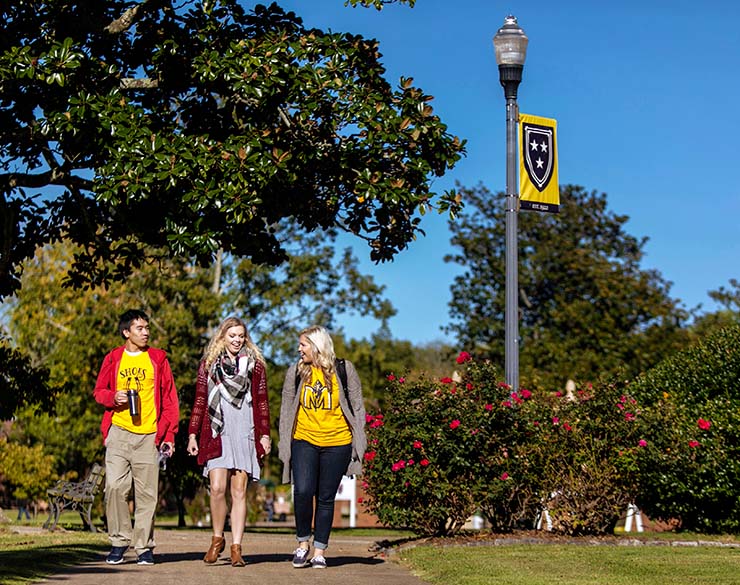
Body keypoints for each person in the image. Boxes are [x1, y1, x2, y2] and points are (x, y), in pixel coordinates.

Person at [93, 309, 179, 566]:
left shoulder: (158, 358)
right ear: (126, 332)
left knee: (147, 494)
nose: (146, 332)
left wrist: (169, 436)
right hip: (118, 432)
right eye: (140, 328)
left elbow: (170, 401)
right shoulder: (113, 358)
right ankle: (119, 541)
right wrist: (113, 397)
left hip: (149, 435)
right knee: (115, 488)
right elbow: (99, 391)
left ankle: (143, 547)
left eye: (147, 327)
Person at [278, 325, 367, 569]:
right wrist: (283, 442)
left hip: (337, 442)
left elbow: (358, 406)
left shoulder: (344, 369)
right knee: (304, 490)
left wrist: (360, 441)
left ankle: (319, 551)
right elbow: (286, 408)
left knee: (326, 497)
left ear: (317, 346)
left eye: (303, 345)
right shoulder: (296, 371)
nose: (299, 349)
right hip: (304, 438)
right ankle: (302, 543)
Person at [187, 317, 271, 567]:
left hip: (245, 428)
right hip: (216, 430)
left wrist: (265, 435)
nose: (236, 340)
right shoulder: (209, 365)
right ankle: (216, 539)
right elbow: (201, 400)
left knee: (239, 491)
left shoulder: (255, 367)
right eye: (232, 335)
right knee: (217, 488)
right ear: (222, 336)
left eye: (241, 336)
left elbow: (262, 402)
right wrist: (192, 434)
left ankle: (236, 547)